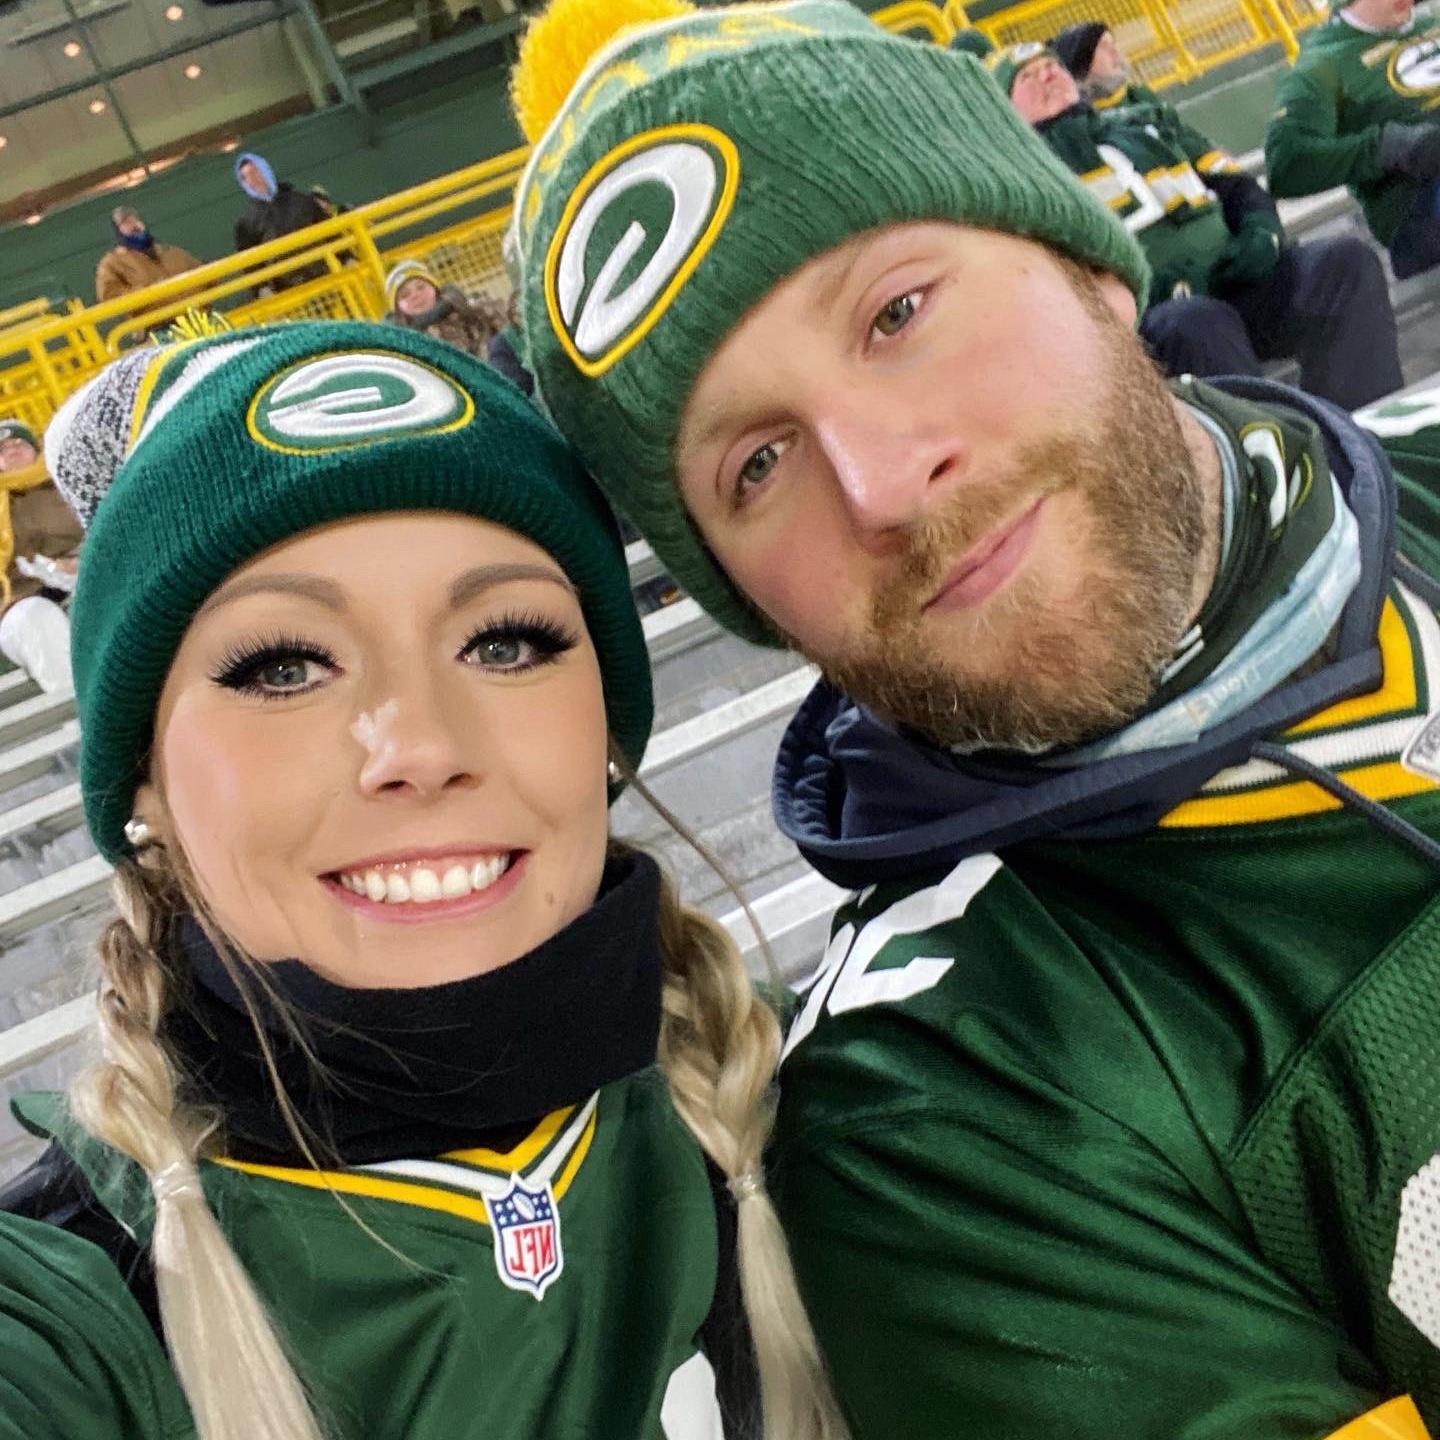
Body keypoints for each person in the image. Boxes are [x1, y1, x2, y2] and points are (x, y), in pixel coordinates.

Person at [510, 0, 1440, 1434]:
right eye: (756, 466)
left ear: (1088, 266)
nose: (883, 485)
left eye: (897, 315)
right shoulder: (938, 1111)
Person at [0, 321, 843, 1440]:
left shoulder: (839, 1088)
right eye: (282, 665)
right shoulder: (65, 1303)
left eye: (504, 643)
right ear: (140, 781)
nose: (421, 746)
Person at [996, 40, 1402, 407]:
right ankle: (1271, 458)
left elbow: (1236, 186)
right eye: (1027, 77)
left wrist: (1262, 233)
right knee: (1197, 323)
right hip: (1151, 327)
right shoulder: (1024, 181)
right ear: (1004, 109)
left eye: (1051, 66)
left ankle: (1357, 433)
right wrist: (1148, 291)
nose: (1047, 75)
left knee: (1342, 263)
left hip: (1233, 281)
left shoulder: (1146, 122)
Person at [1267, 0, 1440, 280]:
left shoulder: (1430, 20)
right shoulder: (1324, 64)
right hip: (1419, 208)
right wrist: (1386, 147)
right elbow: (1286, 163)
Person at [0, 418, 80, 691]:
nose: (12, 449)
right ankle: (74, 704)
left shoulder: (70, 480)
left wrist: (80, 561)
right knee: (37, 619)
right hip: (21, 600)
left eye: (19, 443)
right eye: (2, 449)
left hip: (90, 576)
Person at [233, 151, 332, 293]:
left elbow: (330, 230)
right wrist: (262, 289)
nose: (252, 179)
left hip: (327, 276)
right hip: (289, 291)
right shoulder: (246, 223)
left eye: (255, 172)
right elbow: (250, 264)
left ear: (265, 169)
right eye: (245, 177)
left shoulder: (301, 200)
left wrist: (346, 257)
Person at [383, 258, 509, 360]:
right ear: (397, 309)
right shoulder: (401, 349)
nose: (415, 296)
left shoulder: (477, 313)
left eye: (421, 287)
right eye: (405, 295)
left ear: (435, 288)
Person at [95, 206, 203, 304]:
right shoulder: (112, 263)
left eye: (136, 220)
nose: (134, 225)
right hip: (158, 318)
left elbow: (202, 272)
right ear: (117, 231)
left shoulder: (170, 252)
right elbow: (109, 295)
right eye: (126, 223)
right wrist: (148, 294)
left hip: (198, 313)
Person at [1052, 20, 1159, 109]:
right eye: (1104, 47)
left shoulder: (1141, 97)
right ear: (1082, 65)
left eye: (1113, 43)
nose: (1114, 51)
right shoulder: (1077, 121)